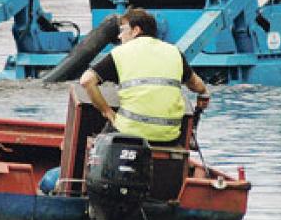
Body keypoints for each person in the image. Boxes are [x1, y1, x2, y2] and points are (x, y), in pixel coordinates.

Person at [79, 8, 210, 145]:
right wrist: (204, 93)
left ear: (136, 30)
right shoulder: (174, 52)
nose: (119, 36)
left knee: (93, 143)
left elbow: (87, 81)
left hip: (130, 133)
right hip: (169, 136)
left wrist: (107, 111)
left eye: (123, 30)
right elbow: (197, 86)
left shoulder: (121, 53)